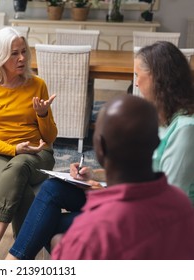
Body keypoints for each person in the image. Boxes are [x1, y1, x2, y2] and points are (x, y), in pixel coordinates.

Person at [6, 40, 194, 260]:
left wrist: (104, 193)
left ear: (157, 79)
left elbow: (162, 204)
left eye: (137, 75)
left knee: (46, 224)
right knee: (53, 187)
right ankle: (12, 264)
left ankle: (12, 266)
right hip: (135, 202)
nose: (136, 83)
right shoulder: (162, 117)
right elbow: (142, 175)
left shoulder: (186, 130)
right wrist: (93, 176)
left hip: (149, 221)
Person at [51, 95, 194, 259]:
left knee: (54, 234)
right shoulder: (183, 205)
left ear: (100, 148)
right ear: (156, 143)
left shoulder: (87, 237)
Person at [0, 27, 58, 259]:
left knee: (19, 166)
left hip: (36, 154)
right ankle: (24, 259)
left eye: (23, 52)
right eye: (13, 54)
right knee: (19, 188)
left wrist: (42, 115)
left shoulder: (37, 84)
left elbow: (50, 138)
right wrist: (13, 149)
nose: (21, 58)